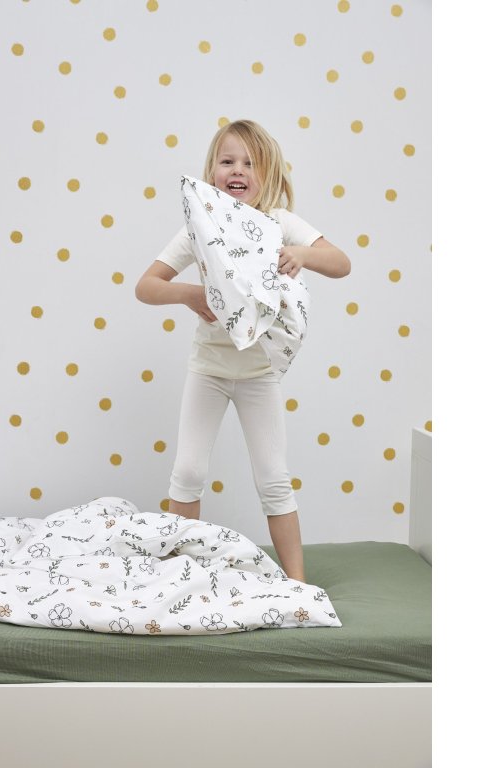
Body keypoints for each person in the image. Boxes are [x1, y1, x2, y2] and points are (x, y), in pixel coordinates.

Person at [135, 119, 351, 581]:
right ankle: (175, 577)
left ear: (267, 173)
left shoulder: (278, 223)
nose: (238, 170)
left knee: (273, 478)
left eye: (250, 163)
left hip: (259, 374)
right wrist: (190, 294)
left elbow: (341, 262)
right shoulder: (200, 227)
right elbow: (146, 286)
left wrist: (303, 255)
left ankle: (297, 581)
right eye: (228, 161)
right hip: (209, 370)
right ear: (211, 172)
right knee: (188, 472)